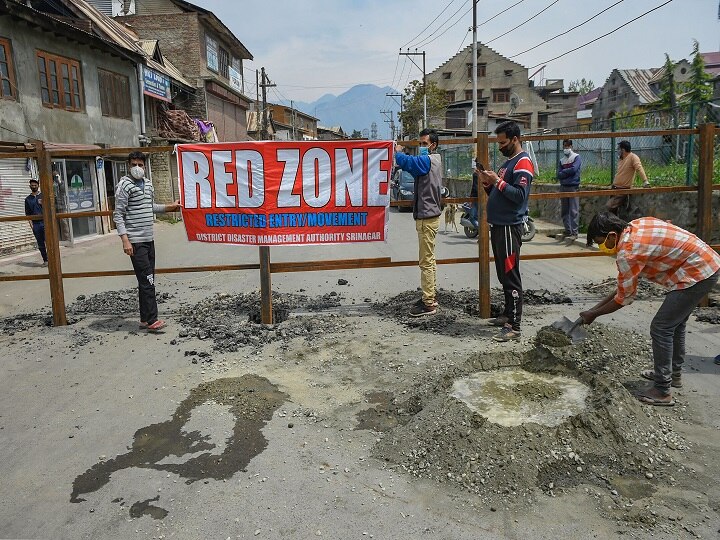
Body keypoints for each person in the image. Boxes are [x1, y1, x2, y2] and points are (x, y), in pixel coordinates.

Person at [579, 212, 720, 406]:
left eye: (600, 241)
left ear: (612, 235)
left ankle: (662, 390)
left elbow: (624, 298)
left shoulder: (628, 253)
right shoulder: (637, 225)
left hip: (698, 272)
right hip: (704, 263)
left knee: (661, 327)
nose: (601, 247)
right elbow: (625, 286)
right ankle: (673, 374)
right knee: (675, 323)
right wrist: (596, 309)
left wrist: (594, 314)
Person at [479, 121, 534, 342]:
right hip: (499, 225)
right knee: (503, 274)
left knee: (511, 275)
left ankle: (514, 326)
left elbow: (519, 196)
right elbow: (499, 191)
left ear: (514, 139)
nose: (500, 146)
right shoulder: (508, 163)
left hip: (510, 226)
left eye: (503, 142)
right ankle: (507, 315)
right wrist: (487, 183)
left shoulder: (523, 163)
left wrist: (497, 181)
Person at [113, 151, 180, 332]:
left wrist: (169, 207)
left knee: (147, 279)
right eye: (134, 164)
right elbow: (118, 214)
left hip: (148, 239)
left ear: (145, 166)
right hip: (135, 242)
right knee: (148, 280)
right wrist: (125, 240)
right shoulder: (124, 185)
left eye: (140, 165)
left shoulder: (148, 184)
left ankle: (144, 318)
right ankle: (152, 320)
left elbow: (150, 207)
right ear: (128, 165)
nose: (137, 168)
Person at [395, 128, 443, 317]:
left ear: (433, 145)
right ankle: (430, 295)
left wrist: (397, 153)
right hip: (430, 216)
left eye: (424, 144)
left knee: (425, 261)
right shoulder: (434, 160)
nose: (422, 147)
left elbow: (409, 162)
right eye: (420, 144)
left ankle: (428, 303)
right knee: (430, 260)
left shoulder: (427, 161)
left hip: (427, 217)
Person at [606, 140, 649, 216]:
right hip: (615, 188)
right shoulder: (621, 159)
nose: (618, 151)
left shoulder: (633, 157)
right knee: (613, 210)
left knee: (609, 206)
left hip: (623, 189)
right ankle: (615, 225)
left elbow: (639, 168)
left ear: (623, 150)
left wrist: (645, 181)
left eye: (619, 149)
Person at [556, 139, 581, 241]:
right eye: (564, 146)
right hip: (563, 186)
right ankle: (568, 230)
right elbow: (558, 174)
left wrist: (564, 173)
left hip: (573, 186)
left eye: (567, 146)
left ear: (571, 146)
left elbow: (574, 169)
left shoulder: (576, 157)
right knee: (564, 210)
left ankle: (574, 232)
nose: (566, 148)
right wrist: (567, 173)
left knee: (573, 210)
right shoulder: (562, 160)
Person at [24, 179, 48, 267]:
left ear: (38, 185)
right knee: (41, 244)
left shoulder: (43, 196)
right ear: (30, 186)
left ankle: (52, 259)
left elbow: (48, 209)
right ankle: (45, 260)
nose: (34, 187)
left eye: (35, 185)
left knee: (48, 242)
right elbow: (28, 214)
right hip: (36, 224)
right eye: (32, 185)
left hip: (45, 222)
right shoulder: (28, 199)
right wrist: (32, 225)